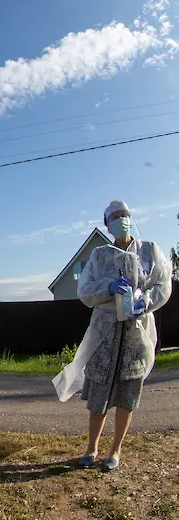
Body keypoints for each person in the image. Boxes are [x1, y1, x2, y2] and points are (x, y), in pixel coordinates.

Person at [53, 200, 171, 472]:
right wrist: (108, 286)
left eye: (124, 215)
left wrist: (145, 301)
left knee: (128, 394)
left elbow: (163, 284)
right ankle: (91, 448)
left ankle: (115, 449)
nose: (121, 219)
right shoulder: (99, 256)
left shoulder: (150, 251)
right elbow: (85, 292)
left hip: (136, 334)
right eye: (114, 217)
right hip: (105, 334)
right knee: (99, 394)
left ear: (131, 218)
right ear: (107, 224)